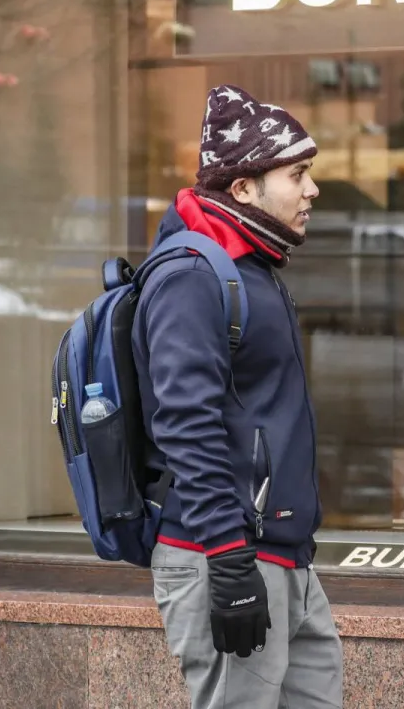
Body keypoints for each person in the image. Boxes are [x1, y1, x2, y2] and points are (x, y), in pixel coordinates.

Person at [134, 84, 342, 709]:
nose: (312, 190)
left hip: (283, 559)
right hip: (223, 554)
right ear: (244, 187)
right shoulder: (192, 276)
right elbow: (186, 424)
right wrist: (228, 561)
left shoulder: (251, 270)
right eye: (298, 174)